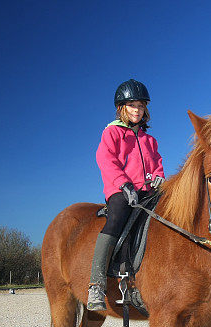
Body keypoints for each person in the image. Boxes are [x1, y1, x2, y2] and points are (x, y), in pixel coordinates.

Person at [87, 79, 165, 311]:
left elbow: (157, 163)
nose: (137, 110)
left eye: (141, 106)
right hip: (120, 190)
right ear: (122, 108)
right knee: (117, 218)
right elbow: (106, 160)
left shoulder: (149, 139)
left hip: (147, 192)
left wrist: (159, 177)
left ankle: (142, 284)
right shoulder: (112, 132)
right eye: (132, 106)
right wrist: (123, 184)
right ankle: (96, 284)